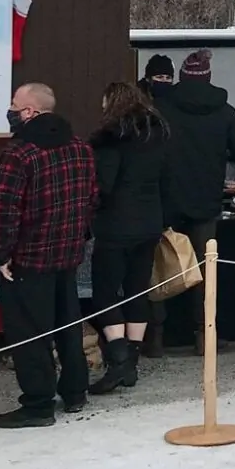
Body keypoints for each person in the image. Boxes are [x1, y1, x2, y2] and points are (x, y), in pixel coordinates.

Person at [0, 83, 98, 427]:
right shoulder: (81, 149)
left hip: (28, 258)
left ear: (31, 112)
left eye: (14, 105)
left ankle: (38, 403)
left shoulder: (18, 153)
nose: (10, 110)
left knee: (29, 334)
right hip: (68, 254)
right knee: (68, 324)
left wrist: (1, 253)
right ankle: (75, 391)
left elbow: (4, 209)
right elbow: (92, 199)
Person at [153, 48, 235, 350]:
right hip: (206, 203)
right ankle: (203, 335)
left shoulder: (160, 108)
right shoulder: (224, 111)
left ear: (181, 78)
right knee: (204, 270)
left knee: (161, 267)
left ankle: (156, 338)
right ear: (209, 78)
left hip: (164, 202)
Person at [86, 82, 168, 394]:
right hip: (150, 222)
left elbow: (104, 185)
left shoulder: (109, 139)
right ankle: (131, 361)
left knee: (105, 291)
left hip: (116, 224)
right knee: (137, 291)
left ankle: (119, 359)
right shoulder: (158, 134)